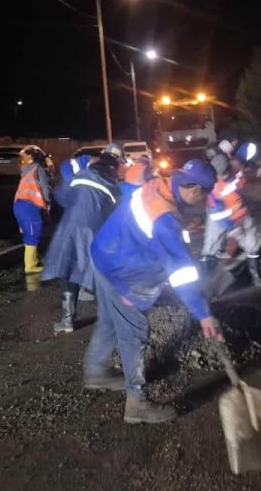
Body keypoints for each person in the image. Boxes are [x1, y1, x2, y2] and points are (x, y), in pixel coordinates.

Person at [86, 158, 222, 424]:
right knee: (134, 329)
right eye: (206, 195)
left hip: (103, 252)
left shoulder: (158, 184)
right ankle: (136, 403)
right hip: (120, 268)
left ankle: (95, 372)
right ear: (195, 189)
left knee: (111, 319)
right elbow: (180, 272)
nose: (206, 201)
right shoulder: (165, 219)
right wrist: (203, 313)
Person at [41, 144, 124, 334]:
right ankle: (113, 316)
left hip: (70, 230)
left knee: (69, 271)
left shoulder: (81, 176)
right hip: (95, 233)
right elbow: (116, 216)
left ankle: (67, 320)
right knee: (100, 274)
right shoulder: (114, 188)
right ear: (115, 167)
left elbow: (62, 196)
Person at [202, 152, 261, 287]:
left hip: (243, 216)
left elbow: (242, 183)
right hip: (225, 220)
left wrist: (254, 172)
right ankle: (209, 280)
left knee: (252, 246)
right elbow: (216, 215)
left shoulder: (235, 175)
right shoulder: (212, 188)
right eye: (221, 174)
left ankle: (255, 275)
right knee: (213, 247)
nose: (224, 176)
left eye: (226, 172)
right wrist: (231, 228)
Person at [13, 145, 52, 273]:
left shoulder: (26, 171)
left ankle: (33, 261)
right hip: (29, 206)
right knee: (33, 233)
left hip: (19, 205)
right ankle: (30, 266)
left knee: (28, 233)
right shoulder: (38, 169)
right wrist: (48, 201)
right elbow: (45, 189)